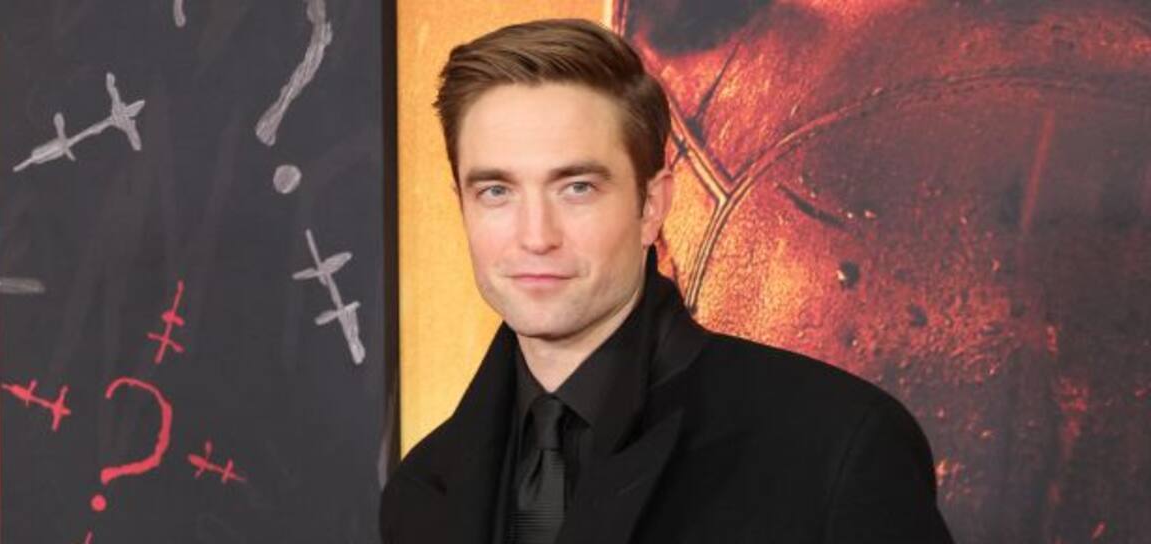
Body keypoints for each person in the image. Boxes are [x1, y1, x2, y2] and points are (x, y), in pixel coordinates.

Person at [380, 18, 953, 544]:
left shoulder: (836, 445)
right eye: (496, 191)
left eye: (577, 188)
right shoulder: (421, 490)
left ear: (652, 206)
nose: (535, 236)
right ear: (462, 206)